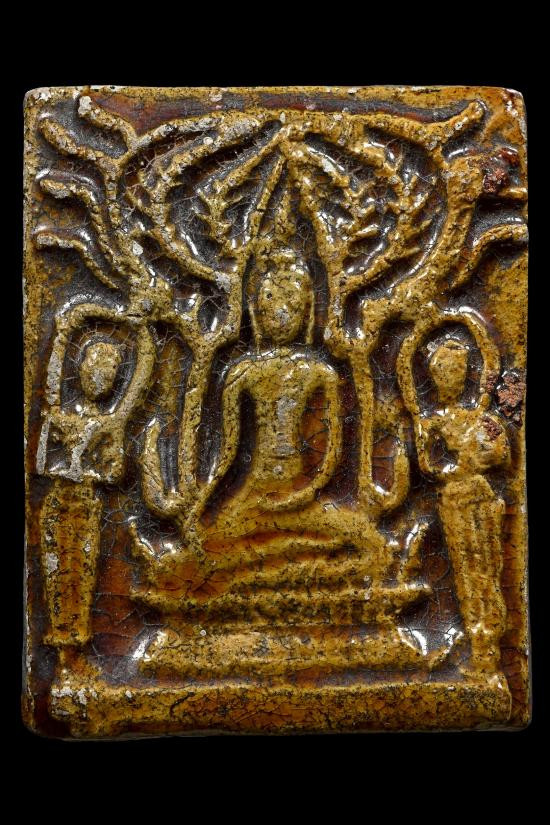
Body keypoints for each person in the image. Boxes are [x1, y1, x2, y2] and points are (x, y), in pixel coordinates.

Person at [398, 311, 510, 679]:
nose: (449, 380)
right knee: (467, 575)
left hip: (481, 499)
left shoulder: (480, 418)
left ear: (466, 375)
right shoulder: (431, 423)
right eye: (442, 374)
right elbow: (430, 467)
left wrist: (474, 450)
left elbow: (500, 454)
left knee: (487, 570)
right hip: (453, 502)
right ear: (433, 378)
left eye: (456, 372)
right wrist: (447, 458)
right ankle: (479, 645)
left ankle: (491, 646)